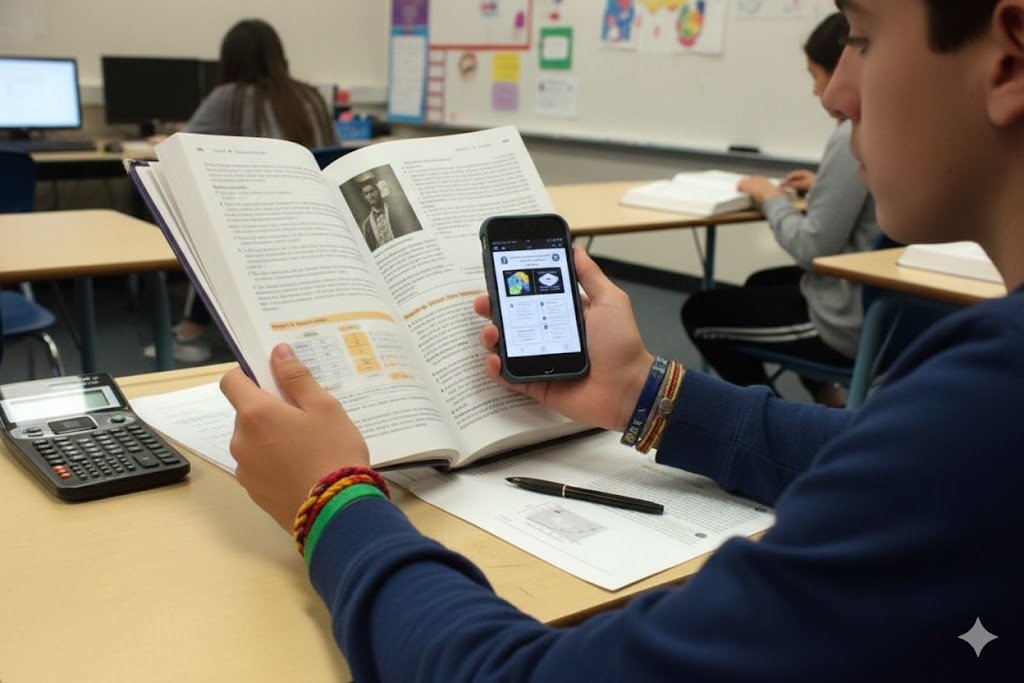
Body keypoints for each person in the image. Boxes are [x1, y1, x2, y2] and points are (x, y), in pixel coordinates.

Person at [221, 0, 1023, 679]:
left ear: (1008, 60)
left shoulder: (986, 410)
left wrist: (332, 499)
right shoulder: (969, 415)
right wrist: (642, 391)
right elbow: (861, 452)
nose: (840, 90)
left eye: (864, 34)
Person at [681, 12, 879, 407]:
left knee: (701, 313)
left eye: (815, 74)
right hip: (878, 302)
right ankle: (827, 399)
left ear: (845, 65)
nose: (817, 90)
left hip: (848, 321)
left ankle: (772, 422)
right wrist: (821, 186)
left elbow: (811, 248)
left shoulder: (850, 134)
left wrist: (769, 198)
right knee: (762, 283)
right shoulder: (891, 126)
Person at [165, 18, 338, 362]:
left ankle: (191, 330)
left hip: (260, 219)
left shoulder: (229, 97)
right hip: (316, 217)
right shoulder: (309, 95)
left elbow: (177, 149)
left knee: (208, 221)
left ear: (230, 60)